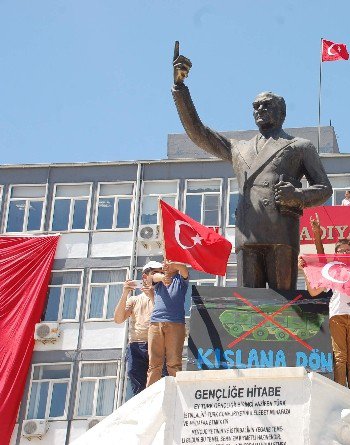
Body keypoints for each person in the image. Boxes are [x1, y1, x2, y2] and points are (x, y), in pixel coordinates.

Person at [172, 43, 332, 290]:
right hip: (248, 235)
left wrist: (298, 196)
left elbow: (324, 188)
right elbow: (199, 133)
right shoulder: (239, 148)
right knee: (248, 311)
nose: (259, 109)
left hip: (281, 234)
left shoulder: (300, 145)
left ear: (281, 112)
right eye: (255, 106)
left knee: (282, 312)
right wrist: (180, 88)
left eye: (266, 105)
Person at [300, 210, 350, 392]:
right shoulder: (331, 270)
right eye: (341, 251)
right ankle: (341, 394)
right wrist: (316, 234)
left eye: (348, 250)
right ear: (336, 254)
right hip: (337, 315)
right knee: (340, 357)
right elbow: (314, 290)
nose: (345, 253)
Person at [113, 260, 162, 395]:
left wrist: (152, 296)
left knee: (158, 385)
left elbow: (163, 317)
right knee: (137, 383)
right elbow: (118, 319)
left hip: (157, 344)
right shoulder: (134, 300)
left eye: (160, 273)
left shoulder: (165, 297)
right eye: (154, 273)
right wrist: (125, 293)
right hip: (136, 345)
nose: (158, 276)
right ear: (145, 277)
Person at [147, 259, 189, 386]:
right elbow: (151, 277)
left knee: (174, 362)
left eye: (168, 264)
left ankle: (177, 391)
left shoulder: (180, 280)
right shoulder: (159, 280)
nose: (165, 265)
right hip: (156, 323)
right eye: (164, 263)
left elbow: (184, 269)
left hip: (175, 323)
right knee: (154, 363)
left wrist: (174, 264)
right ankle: (150, 394)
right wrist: (162, 277)